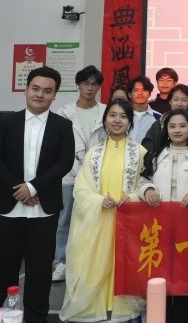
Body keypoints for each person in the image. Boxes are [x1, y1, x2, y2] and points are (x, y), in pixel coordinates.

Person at [0, 66, 75, 323]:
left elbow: (64, 162)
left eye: (47, 91)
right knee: (2, 271)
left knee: (40, 274)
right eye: (35, 89)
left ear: (54, 95)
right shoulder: (5, 123)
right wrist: (20, 189)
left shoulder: (62, 126)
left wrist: (33, 187)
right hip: (8, 208)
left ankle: (36, 319)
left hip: (43, 211)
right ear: (25, 90)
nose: (39, 95)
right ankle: (2, 317)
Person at [60, 98, 147, 322]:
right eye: (112, 115)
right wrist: (98, 201)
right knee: (95, 260)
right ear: (105, 119)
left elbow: (146, 185)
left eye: (123, 116)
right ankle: (93, 303)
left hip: (127, 220)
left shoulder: (140, 152)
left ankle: (121, 306)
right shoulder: (94, 153)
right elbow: (81, 188)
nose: (117, 120)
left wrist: (132, 198)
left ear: (130, 122)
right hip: (99, 219)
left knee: (124, 261)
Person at [140, 109, 188, 323]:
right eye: (172, 126)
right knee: (159, 277)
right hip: (159, 227)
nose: (177, 130)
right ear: (166, 130)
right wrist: (148, 190)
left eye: (182, 126)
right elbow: (142, 181)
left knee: (186, 280)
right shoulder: (155, 155)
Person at [53, 64, 105, 282]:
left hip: (98, 176)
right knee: (64, 220)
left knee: (95, 218)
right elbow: (57, 146)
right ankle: (61, 262)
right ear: (77, 85)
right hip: (69, 174)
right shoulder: (64, 112)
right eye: (85, 83)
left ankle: (91, 262)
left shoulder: (106, 111)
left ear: (99, 87)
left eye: (94, 84)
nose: (89, 88)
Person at [127, 76, 161, 144]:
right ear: (130, 94)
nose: (140, 93)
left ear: (149, 94)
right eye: (136, 90)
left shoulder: (158, 118)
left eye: (144, 90)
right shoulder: (124, 115)